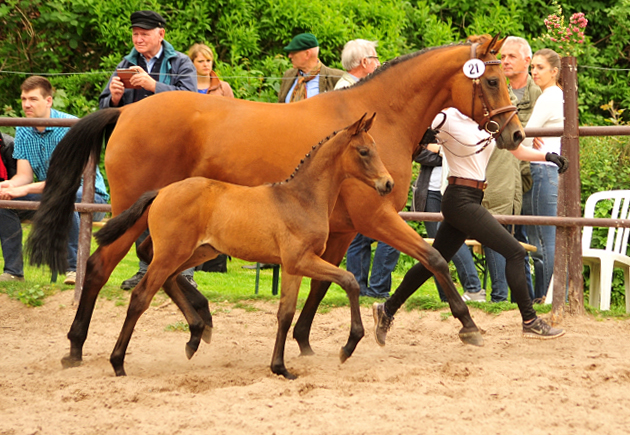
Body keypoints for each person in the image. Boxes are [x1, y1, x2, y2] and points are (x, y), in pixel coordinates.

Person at [373, 107, 569, 344]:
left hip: (473, 197)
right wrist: (421, 137)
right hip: (459, 199)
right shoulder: (446, 116)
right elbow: (408, 122)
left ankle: (387, 309)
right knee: (515, 252)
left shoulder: (488, 122)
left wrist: (547, 156)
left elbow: (516, 151)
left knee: (433, 262)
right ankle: (530, 321)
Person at [99, 10, 198, 290]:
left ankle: (185, 273)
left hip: (176, 150)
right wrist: (114, 97)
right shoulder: (126, 62)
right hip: (139, 152)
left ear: (161, 34)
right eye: (135, 33)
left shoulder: (181, 62)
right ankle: (144, 270)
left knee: (182, 208)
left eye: (144, 33)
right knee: (138, 206)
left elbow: (192, 100)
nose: (138, 38)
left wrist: (154, 85)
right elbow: (104, 106)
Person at [0, 76, 109, 284]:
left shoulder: (70, 126)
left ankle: (74, 269)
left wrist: (22, 190)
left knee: (63, 196)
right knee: (4, 202)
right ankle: (13, 272)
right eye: (23, 99)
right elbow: (24, 176)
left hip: (88, 197)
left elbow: (68, 181)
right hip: (49, 195)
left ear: (48, 101)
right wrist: (7, 186)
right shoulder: (23, 128)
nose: (26, 105)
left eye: (32, 99)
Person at [330, 39, 398, 298]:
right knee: (360, 232)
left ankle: (362, 285)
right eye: (376, 58)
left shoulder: (355, 88)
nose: (379, 63)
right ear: (364, 63)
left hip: (361, 169)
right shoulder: (348, 91)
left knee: (358, 233)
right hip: (355, 171)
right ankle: (364, 285)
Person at [482, 36, 541, 302]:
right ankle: (507, 298)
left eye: (511, 57)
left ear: (527, 61)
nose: (504, 61)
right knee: (503, 234)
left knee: (526, 239)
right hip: (500, 176)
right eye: (503, 57)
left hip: (528, 176)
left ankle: (531, 297)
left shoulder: (537, 93)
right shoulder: (495, 89)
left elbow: (535, 132)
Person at [413, 145, 484, 302]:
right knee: (438, 248)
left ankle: (473, 288)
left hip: (455, 190)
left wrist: (440, 151)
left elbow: (465, 153)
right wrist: (446, 154)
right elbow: (418, 153)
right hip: (430, 192)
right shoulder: (430, 128)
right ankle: (446, 297)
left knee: (454, 240)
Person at [521, 48, 564, 302]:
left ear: (555, 71)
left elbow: (523, 136)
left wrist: (528, 136)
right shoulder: (558, 95)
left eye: (539, 67)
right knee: (545, 238)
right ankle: (548, 296)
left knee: (542, 240)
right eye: (533, 67)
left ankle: (546, 297)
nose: (534, 72)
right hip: (549, 170)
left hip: (543, 169)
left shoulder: (549, 97)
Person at [278, 33, 343, 103]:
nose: (289, 56)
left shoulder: (336, 77)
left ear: (307, 54)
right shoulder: (289, 75)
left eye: (293, 52)